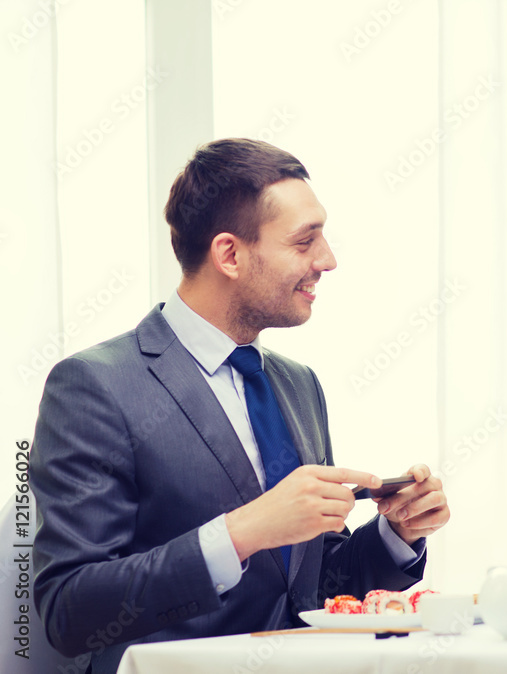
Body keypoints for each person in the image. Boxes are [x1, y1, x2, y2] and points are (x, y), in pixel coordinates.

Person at [29, 138, 450, 674]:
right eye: (305, 241)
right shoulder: (95, 386)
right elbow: (71, 611)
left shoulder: (298, 386)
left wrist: (396, 534)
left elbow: (311, 590)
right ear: (229, 254)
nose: (328, 260)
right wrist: (243, 531)